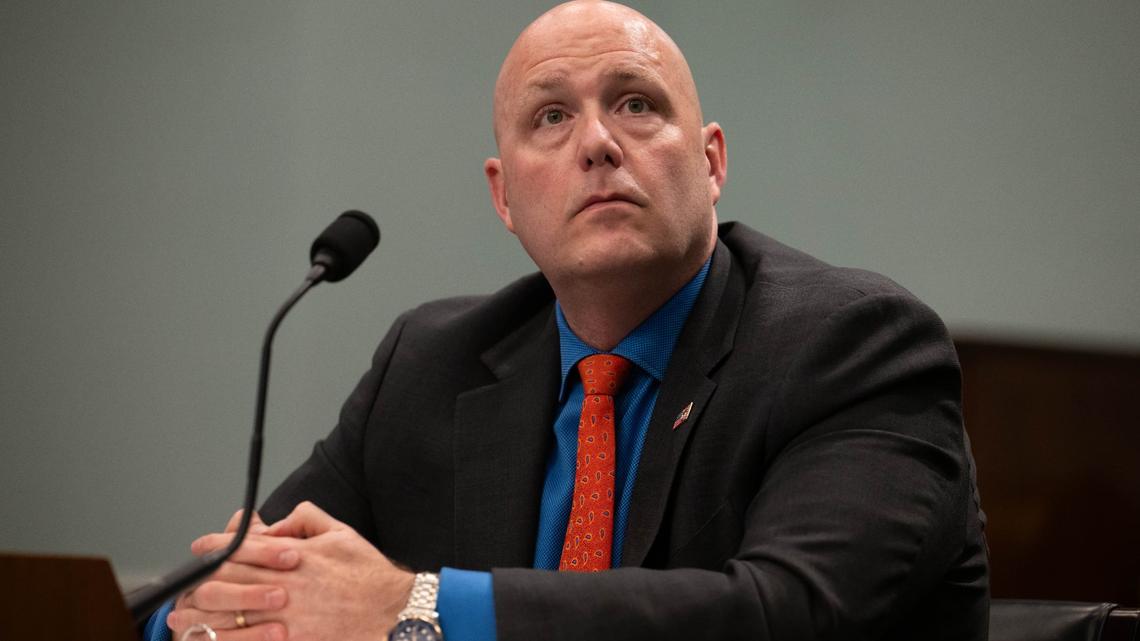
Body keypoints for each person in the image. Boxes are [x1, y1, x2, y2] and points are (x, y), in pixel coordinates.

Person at [149, 2, 989, 640]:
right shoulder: (432, 362)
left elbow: (783, 611)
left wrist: (413, 606)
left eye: (635, 104)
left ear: (711, 162)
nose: (596, 142)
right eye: (550, 117)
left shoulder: (854, 344)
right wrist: (198, 613)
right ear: (504, 196)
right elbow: (239, 584)